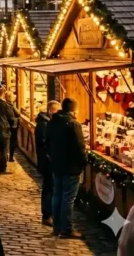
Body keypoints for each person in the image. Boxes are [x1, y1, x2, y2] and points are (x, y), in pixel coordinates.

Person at [45, 97, 86, 239]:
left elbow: (47, 143)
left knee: (57, 195)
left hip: (57, 165)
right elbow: (80, 147)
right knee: (68, 197)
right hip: (71, 167)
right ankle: (66, 229)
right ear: (74, 110)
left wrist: (53, 158)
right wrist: (83, 162)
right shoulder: (73, 124)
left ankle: (57, 227)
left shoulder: (52, 122)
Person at [36, 100, 61, 227]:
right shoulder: (44, 124)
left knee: (50, 187)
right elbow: (45, 144)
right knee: (49, 187)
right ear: (51, 111)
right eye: (57, 112)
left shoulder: (45, 123)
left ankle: (49, 213)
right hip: (47, 161)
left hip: (47, 160)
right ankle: (47, 215)